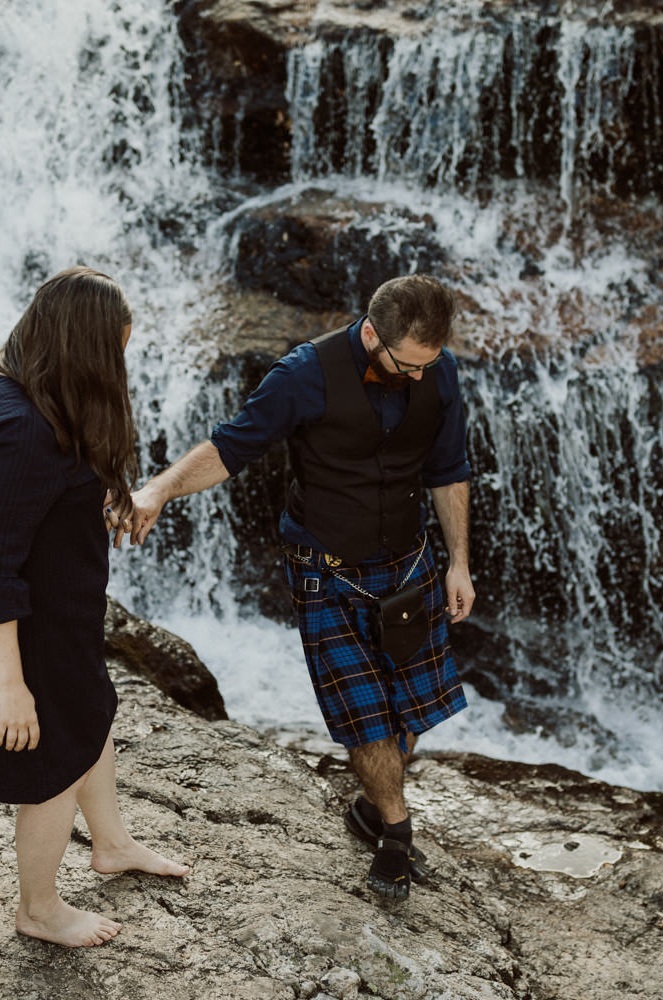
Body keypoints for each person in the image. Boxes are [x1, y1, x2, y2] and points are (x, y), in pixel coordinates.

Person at [116, 274, 473, 901]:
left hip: (410, 564)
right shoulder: (303, 374)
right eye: (408, 365)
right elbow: (230, 448)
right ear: (370, 334)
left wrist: (458, 563)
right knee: (365, 717)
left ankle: (371, 804)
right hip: (324, 568)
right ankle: (394, 830)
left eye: (430, 364)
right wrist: (158, 489)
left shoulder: (436, 372)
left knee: (410, 708)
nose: (420, 377)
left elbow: (447, 473)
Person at [0, 267, 188, 948]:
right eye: (114, 354)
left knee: (90, 715)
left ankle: (110, 842)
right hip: (18, 637)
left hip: (58, 621)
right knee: (50, 767)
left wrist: (103, 493)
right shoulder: (21, 432)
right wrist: (10, 687)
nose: (119, 369)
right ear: (81, 350)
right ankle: (39, 910)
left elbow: (24, 500)